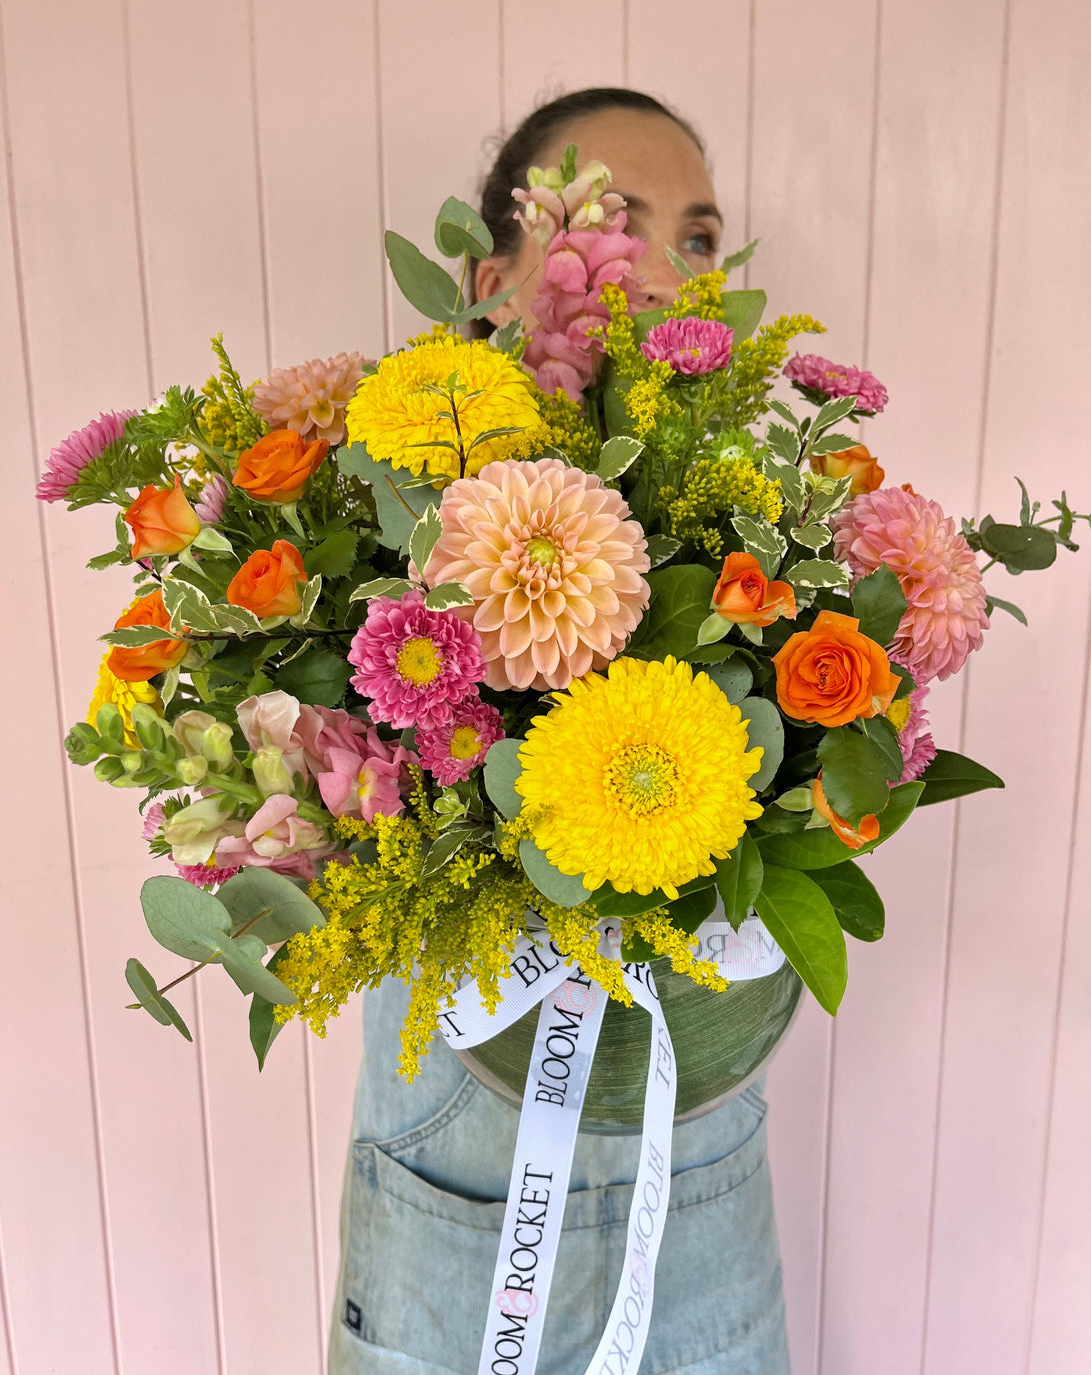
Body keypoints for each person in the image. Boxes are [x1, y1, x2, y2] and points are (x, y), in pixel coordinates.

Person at [328, 89, 791, 1375]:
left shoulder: (764, 546)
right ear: (491, 283)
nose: (657, 265)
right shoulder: (380, 546)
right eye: (609, 218)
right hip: (457, 1189)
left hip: (700, 1188)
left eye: (695, 237)